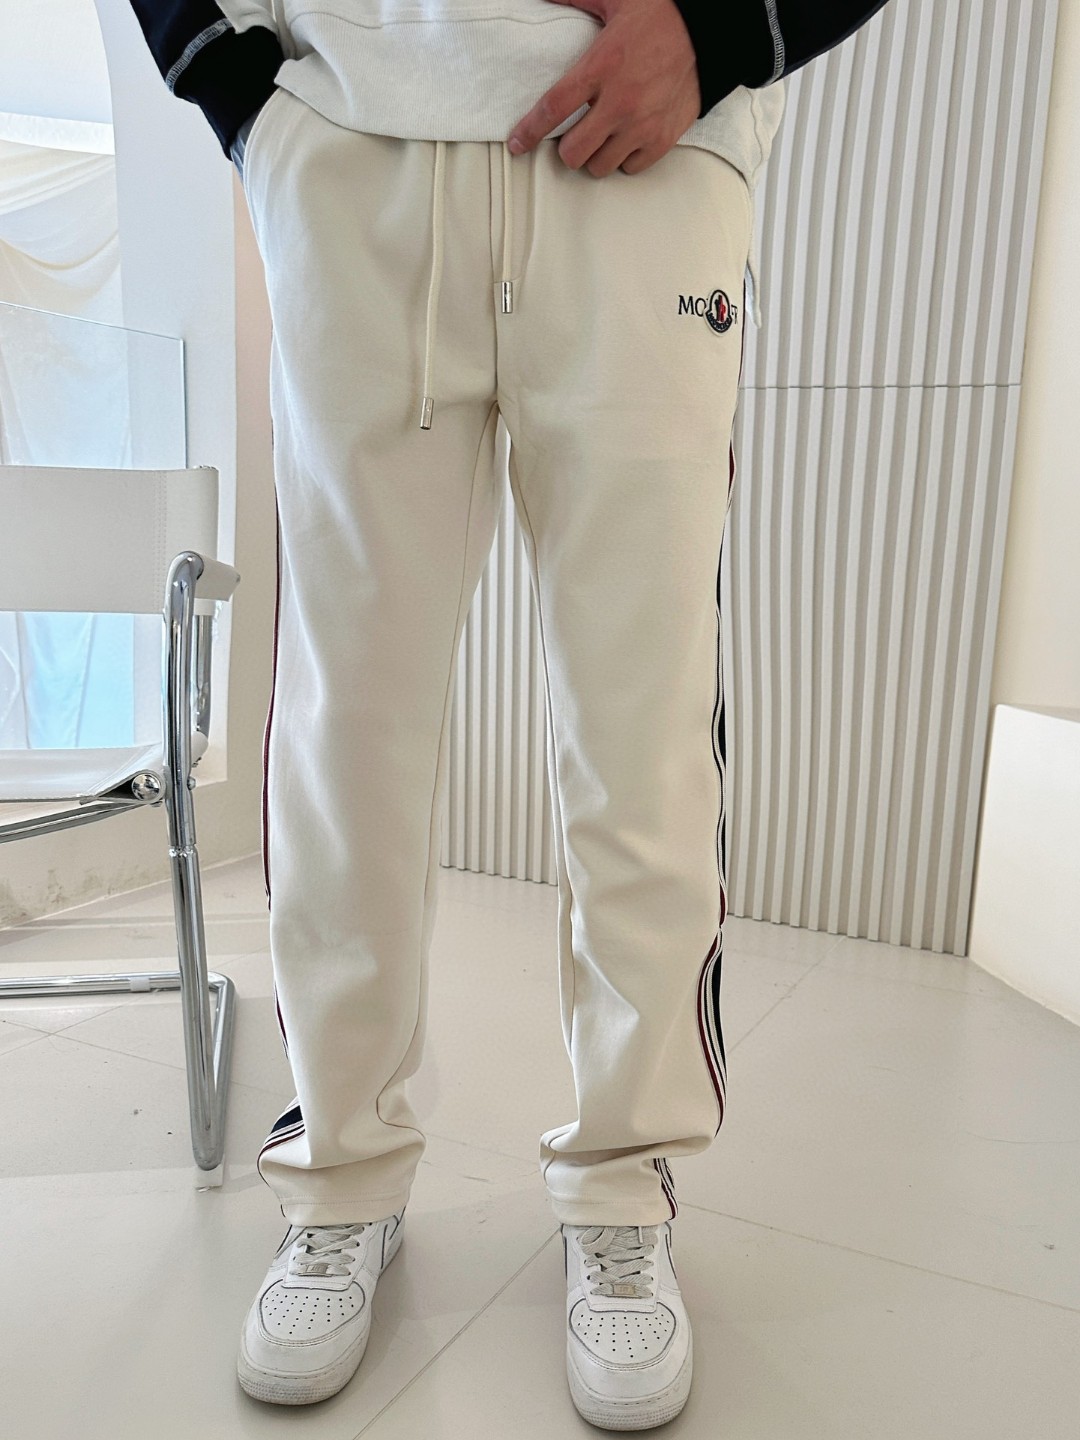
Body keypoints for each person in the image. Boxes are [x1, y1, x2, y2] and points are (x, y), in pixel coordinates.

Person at [129, 0, 892, 1427]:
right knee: (345, 729)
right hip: (351, 138)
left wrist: (729, 30)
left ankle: (622, 1186)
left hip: (649, 155)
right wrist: (228, 83)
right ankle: (342, 1172)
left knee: (642, 727)